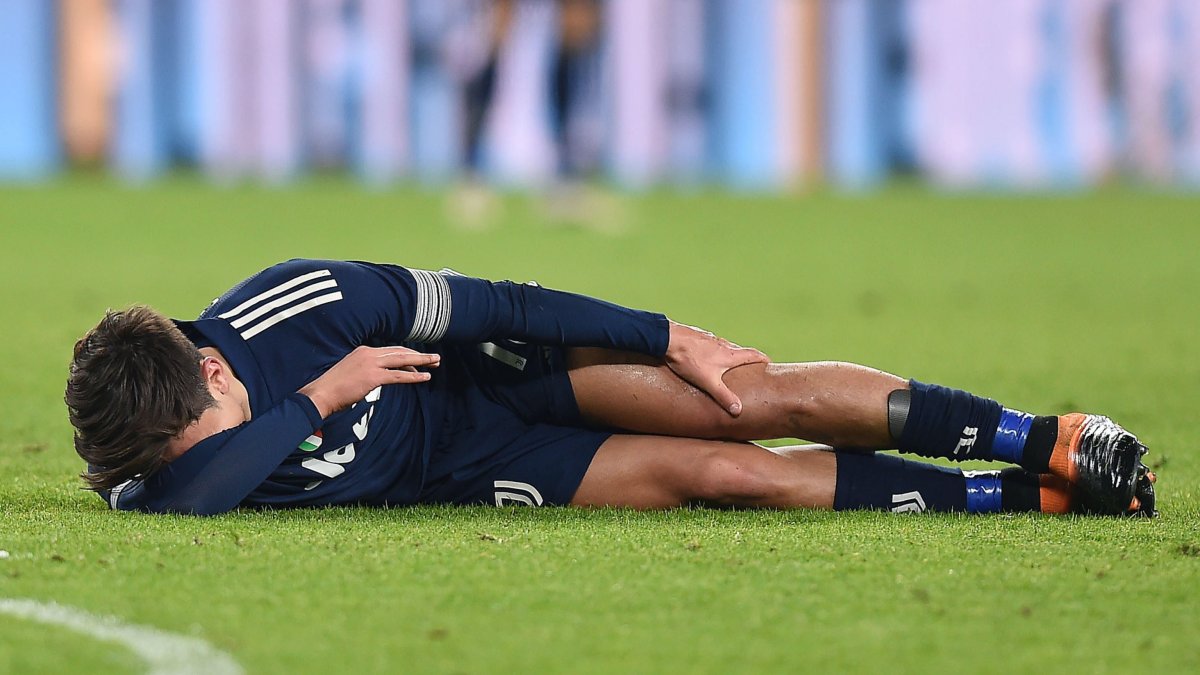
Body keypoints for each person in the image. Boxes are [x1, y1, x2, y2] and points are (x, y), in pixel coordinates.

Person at [65, 259, 1156, 517]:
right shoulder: (154, 462)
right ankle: (1038, 499)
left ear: (213, 368)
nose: (198, 461)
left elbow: (500, 304)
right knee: (727, 476)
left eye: (202, 436)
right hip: (472, 462)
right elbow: (185, 496)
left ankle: (1043, 438)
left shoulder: (307, 307)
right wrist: (326, 399)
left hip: (511, 379)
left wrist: (660, 336)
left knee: (746, 400)